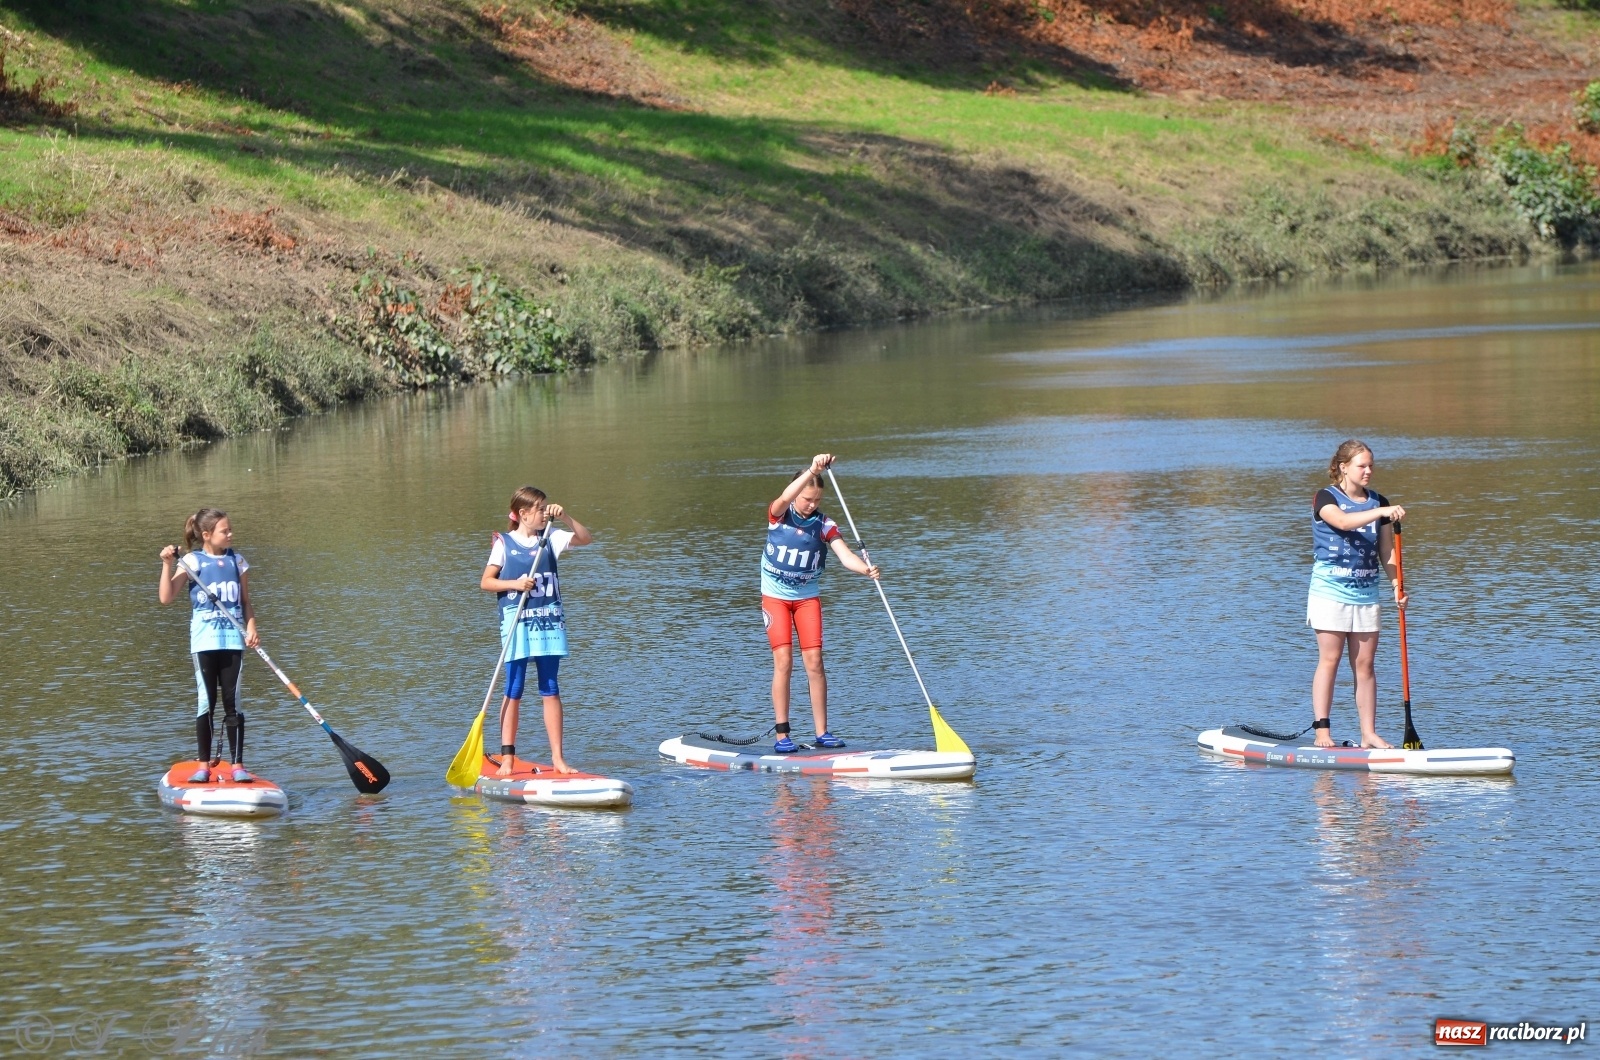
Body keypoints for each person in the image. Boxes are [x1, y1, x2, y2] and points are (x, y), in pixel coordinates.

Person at [761, 453, 879, 754]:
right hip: (775, 598)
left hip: (806, 599)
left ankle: (822, 732)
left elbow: (845, 555)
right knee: (784, 661)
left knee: (814, 662)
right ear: (796, 493)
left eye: (816, 500)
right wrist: (811, 470)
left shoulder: (824, 524)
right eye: (807, 499)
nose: (811, 504)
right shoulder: (779, 515)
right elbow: (784, 497)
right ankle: (782, 735)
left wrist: (865, 569)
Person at [480, 486, 592, 776]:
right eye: (540, 509)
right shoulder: (504, 543)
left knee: (550, 689)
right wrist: (515, 584)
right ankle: (507, 758)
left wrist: (565, 517)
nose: (545, 512)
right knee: (513, 689)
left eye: (545, 507)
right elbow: (487, 582)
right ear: (522, 514)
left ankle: (558, 758)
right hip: (517, 622)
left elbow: (585, 539)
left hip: (549, 623)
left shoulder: (551, 537)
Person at [1308, 440, 1409, 749]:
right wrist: (1380, 511)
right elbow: (1342, 521)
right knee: (1331, 659)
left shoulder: (1378, 501)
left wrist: (1397, 586)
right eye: (1361, 465)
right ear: (1343, 467)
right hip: (1330, 591)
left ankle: (1369, 733)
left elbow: (1386, 551)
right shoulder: (1326, 497)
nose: (1368, 471)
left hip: (1366, 593)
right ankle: (1322, 731)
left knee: (1365, 666)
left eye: (1371, 466)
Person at [158, 508, 259, 783]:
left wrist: (251, 627)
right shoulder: (192, 561)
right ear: (206, 535)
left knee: (232, 702)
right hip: (204, 642)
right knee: (207, 702)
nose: (230, 534)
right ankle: (203, 765)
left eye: (230, 529)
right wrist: (167, 564)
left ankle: (237, 765)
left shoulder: (238, 562)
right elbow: (166, 598)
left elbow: (246, 602)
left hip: (233, 641)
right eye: (224, 530)